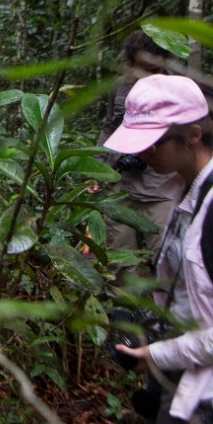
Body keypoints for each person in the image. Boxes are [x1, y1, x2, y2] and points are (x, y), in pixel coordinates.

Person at [107, 74, 213, 422]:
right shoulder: (182, 192)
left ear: (193, 135)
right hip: (180, 369)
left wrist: (158, 354)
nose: (142, 153)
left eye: (154, 143)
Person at [101, 31, 177, 253]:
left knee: (165, 262)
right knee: (120, 260)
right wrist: (98, 167)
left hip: (162, 190)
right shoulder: (120, 85)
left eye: (154, 70)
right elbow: (110, 126)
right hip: (123, 184)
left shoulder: (179, 88)